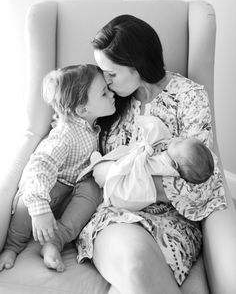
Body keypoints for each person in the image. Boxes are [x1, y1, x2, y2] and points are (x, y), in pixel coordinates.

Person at [75, 15, 227, 294]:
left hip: (172, 222)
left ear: (138, 65)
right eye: (102, 72)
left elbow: (201, 184)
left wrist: (129, 185)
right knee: (135, 263)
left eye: (111, 74)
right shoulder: (107, 102)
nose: (105, 83)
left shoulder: (189, 98)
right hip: (114, 217)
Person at [0, 64, 115, 273]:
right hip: (49, 189)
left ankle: (55, 241)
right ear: (82, 109)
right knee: (26, 205)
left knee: (92, 191)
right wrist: (40, 208)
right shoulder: (66, 134)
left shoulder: (90, 127)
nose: (112, 93)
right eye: (104, 93)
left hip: (72, 190)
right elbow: (40, 167)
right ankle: (12, 246)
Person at [80, 115, 215, 212]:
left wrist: (145, 149)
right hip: (125, 189)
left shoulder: (165, 166)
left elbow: (144, 166)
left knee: (109, 169)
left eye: (179, 142)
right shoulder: (171, 157)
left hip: (126, 189)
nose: (178, 138)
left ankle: (97, 165)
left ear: (176, 164)